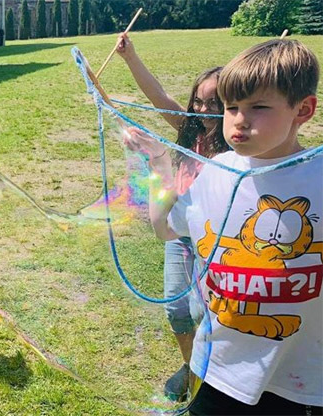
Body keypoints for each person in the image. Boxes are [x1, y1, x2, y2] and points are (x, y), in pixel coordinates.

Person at [134, 39, 321, 415]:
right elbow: (165, 230)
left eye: (258, 107)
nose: (239, 119)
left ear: (303, 109)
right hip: (219, 368)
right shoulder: (216, 172)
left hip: (303, 378)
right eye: (232, 107)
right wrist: (160, 166)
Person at [116, 32, 229, 400]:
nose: (203, 109)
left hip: (214, 239)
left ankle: (209, 373)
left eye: (214, 103)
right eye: (198, 100)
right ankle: (191, 366)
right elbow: (159, 96)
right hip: (180, 235)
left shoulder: (236, 148)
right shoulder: (188, 130)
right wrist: (131, 57)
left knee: (203, 311)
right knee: (177, 310)